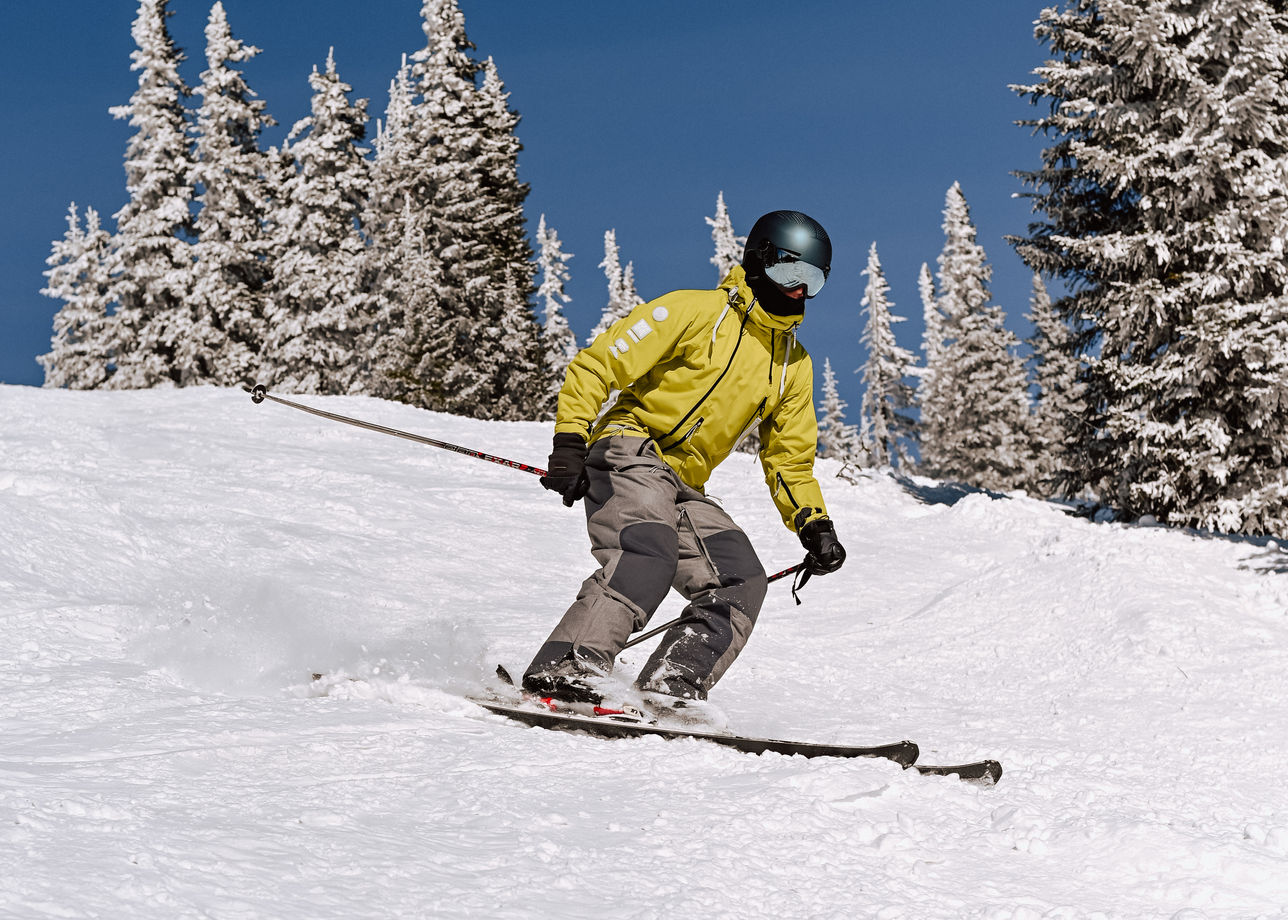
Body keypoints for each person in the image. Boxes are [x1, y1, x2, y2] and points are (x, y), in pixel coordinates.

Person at [523, 210, 846, 711]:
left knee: (741, 580)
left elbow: (790, 458)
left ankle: (672, 683)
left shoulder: (792, 365)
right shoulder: (694, 313)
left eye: (814, 280)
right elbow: (597, 365)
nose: (800, 291)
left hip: (683, 483)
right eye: (791, 272)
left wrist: (814, 523)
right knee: (647, 552)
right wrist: (570, 441)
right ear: (760, 260)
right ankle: (565, 667)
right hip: (630, 450)